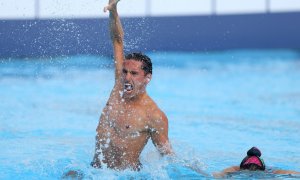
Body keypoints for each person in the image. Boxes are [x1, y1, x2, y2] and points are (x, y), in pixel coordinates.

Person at [90, 0, 173, 171]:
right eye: (125, 72)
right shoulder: (118, 88)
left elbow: (168, 157)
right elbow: (117, 41)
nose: (127, 78)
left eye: (134, 74)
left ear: (147, 78)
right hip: (94, 171)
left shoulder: (153, 115)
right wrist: (113, 11)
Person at [213, 147, 300, 178]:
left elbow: (217, 174)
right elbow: (291, 173)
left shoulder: (236, 169)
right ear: (263, 168)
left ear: (242, 166)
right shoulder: (271, 171)